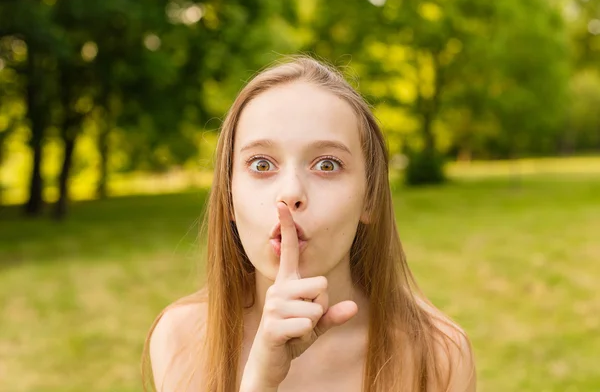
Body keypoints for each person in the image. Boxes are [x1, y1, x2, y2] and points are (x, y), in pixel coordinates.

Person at [142, 56, 476, 392]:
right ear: (228, 195)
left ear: (370, 196)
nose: (290, 193)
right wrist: (260, 380)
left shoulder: (440, 355)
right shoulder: (181, 338)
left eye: (327, 165)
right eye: (261, 164)